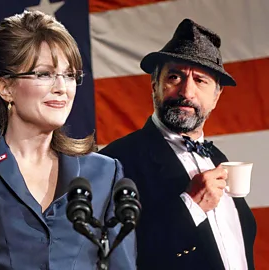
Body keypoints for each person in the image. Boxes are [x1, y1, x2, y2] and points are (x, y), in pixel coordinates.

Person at [0, 10, 136, 270]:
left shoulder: (105, 172)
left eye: (69, 75)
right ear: (6, 88)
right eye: (44, 74)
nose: (61, 88)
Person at [99, 19, 257, 270]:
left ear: (216, 97)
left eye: (201, 80)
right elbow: (111, 258)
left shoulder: (217, 157)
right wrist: (191, 206)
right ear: (155, 86)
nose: (187, 91)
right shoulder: (114, 162)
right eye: (175, 76)